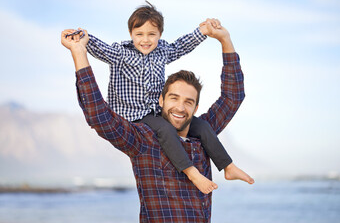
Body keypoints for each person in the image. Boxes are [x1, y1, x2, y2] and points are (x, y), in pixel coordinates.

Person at [61, 19, 253, 222]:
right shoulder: (143, 140)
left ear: (196, 108)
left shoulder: (204, 138)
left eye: (188, 102)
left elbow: (233, 97)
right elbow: (99, 116)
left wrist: (225, 40)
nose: (180, 107)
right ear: (160, 100)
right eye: (173, 98)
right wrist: (79, 52)